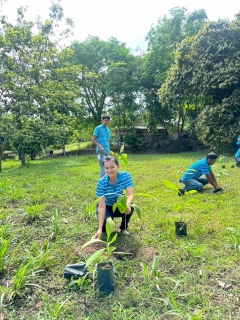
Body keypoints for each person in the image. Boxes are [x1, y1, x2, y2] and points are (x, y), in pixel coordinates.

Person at [93, 156, 134, 239]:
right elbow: (101, 206)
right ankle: (103, 227)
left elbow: (130, 194)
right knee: (106, 228)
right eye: (106, 168)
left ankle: (123, 228)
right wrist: (99, 229)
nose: (109, 171)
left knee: (131, 207)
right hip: (107, 206)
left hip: (119, 205)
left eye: (112, 167)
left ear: (118, 166)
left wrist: (127, 205)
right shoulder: (101, 183)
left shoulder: (126, 176)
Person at [92, 114, 111, 178]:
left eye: (108, 120)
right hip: (100, 151)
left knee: (108, 166)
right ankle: (101, 184)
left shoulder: (108, 130)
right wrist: (100, 146)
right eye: (105, 120)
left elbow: (107, 140)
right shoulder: (98, 128)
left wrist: (108, 150)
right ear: (102, 120)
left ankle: (107, 182)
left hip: (107, 151)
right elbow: (93, 139)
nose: (107, 122)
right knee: (103, 166)